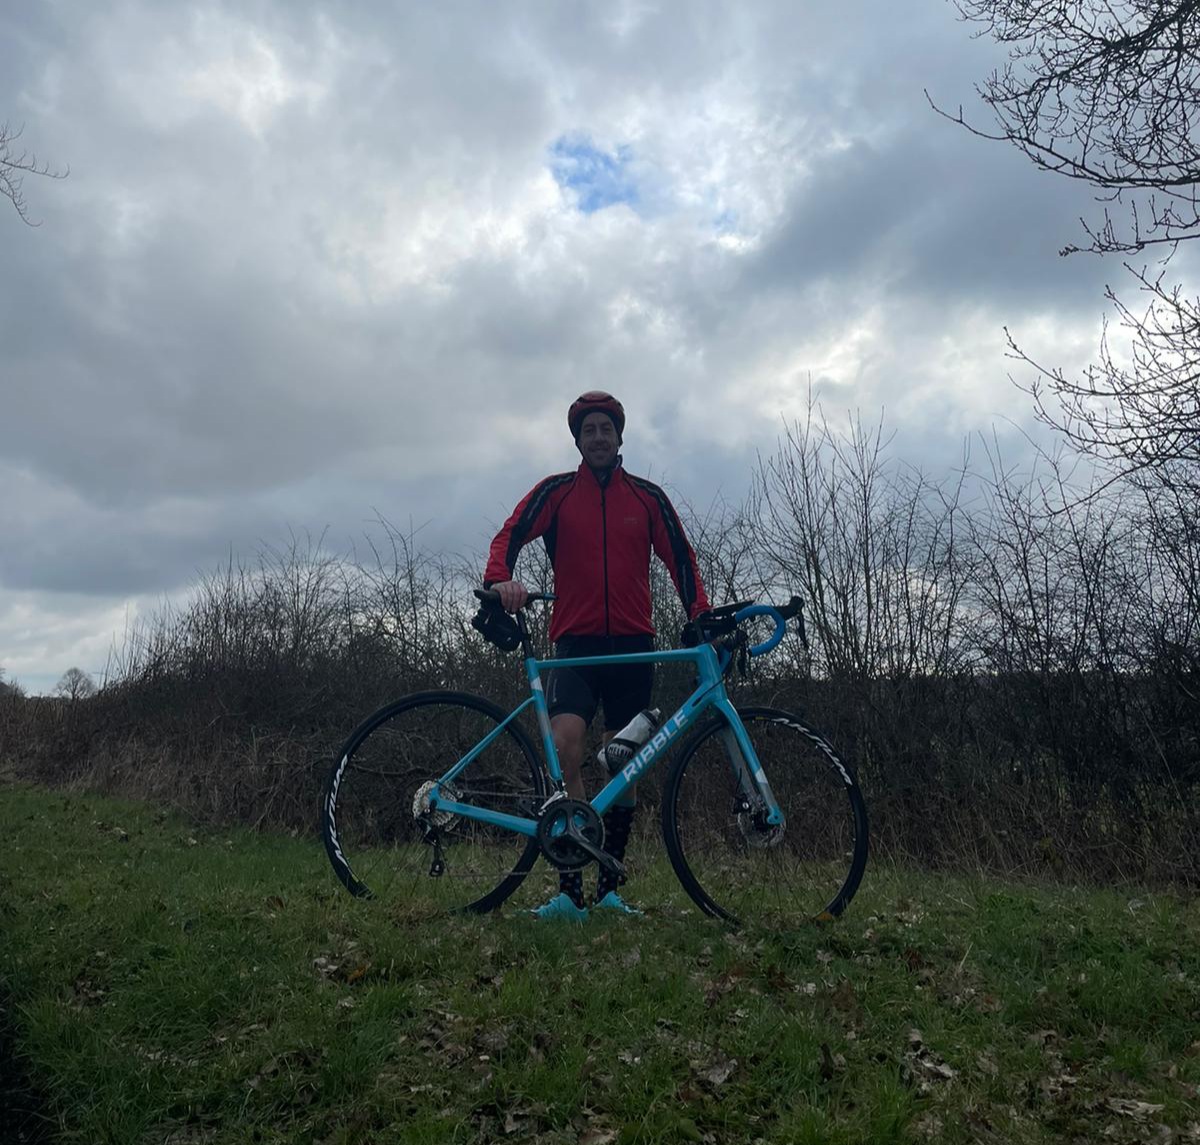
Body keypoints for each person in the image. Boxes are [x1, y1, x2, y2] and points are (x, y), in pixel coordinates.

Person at [483, 391, 711, 920]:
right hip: (576, 644)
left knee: (624, 766)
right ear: (578, 440)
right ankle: (569, 891)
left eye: (606, 428)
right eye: (589, 430)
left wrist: (698, 612)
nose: (599, 437)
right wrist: (500, 579)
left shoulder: (647, 498)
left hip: (633, 644)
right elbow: (510, 533)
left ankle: (609, 891)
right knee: (565, 747)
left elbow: (680, 557)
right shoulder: (557, 493)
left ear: (620, 436)